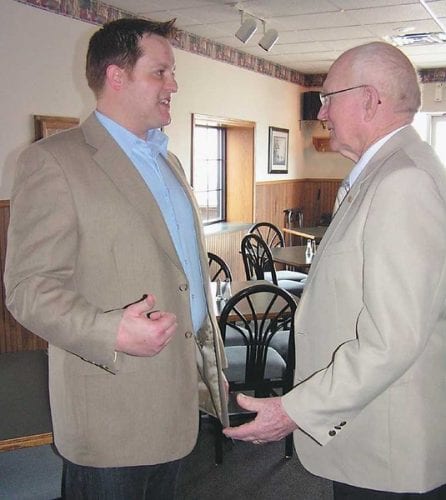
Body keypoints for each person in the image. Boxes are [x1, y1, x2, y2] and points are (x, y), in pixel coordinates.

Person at [5, 18, 228, 499]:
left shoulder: (168, 161)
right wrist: (111, 331)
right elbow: (27, 289)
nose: (174, 85)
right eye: (160, 72)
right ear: (116, 76)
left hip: (176, 403)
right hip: (110, 415)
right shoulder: (53, 161)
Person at [224, 41, 446, 498]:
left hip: (387, 447)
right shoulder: (391, 170)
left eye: (328, 98)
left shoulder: (402, 181)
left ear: (369, 100)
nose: (321, 113)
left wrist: (295, 409)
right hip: (376, 428)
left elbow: (392, 340)